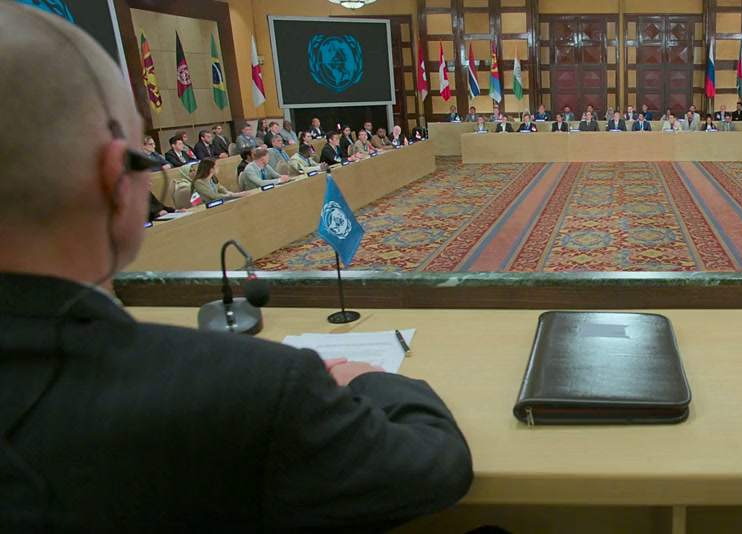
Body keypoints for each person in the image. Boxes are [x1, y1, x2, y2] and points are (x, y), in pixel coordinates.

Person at [0, 7, 473, 532]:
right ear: (114, 179)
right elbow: (435, 466)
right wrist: (367, 378)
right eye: (142, 159)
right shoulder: (248, 386)